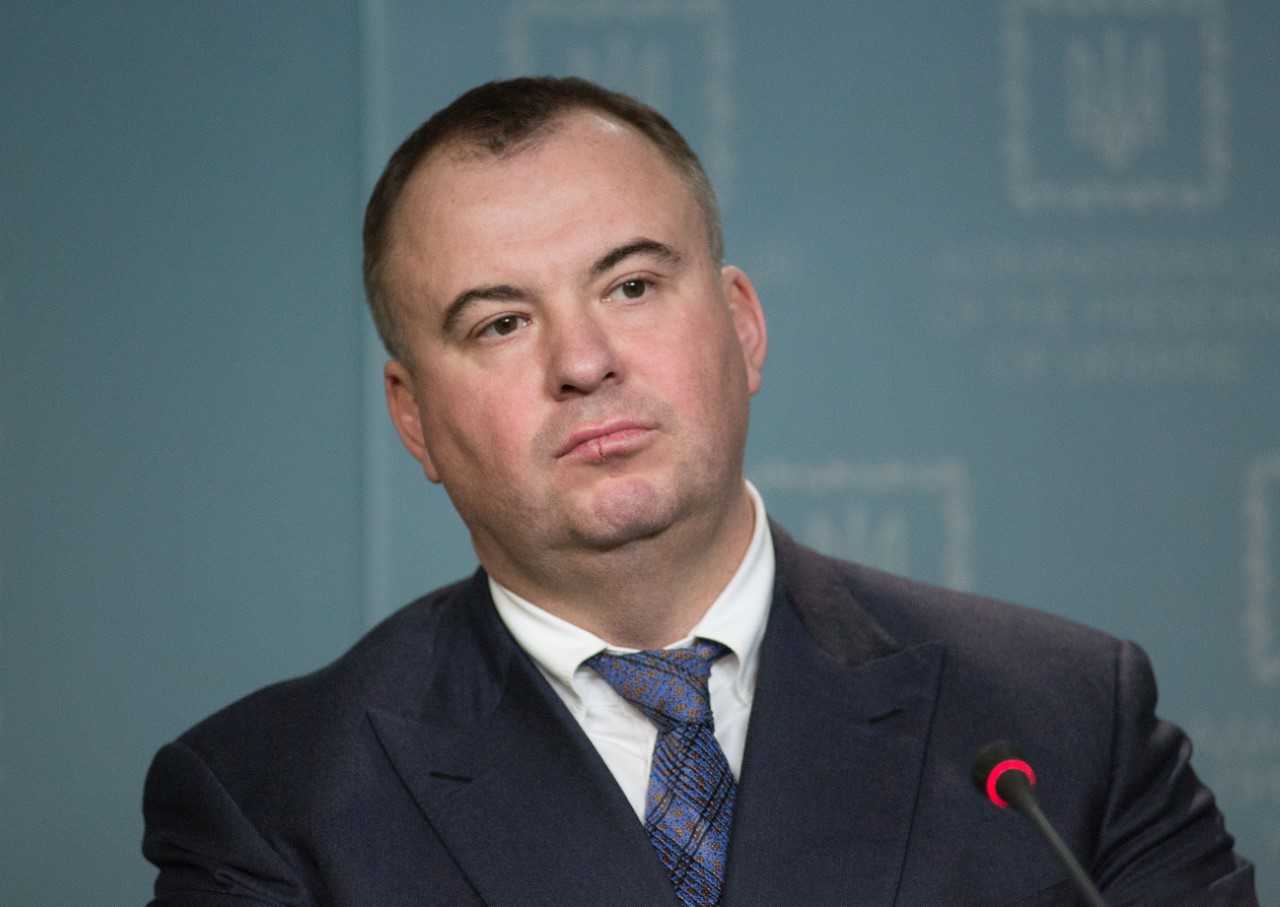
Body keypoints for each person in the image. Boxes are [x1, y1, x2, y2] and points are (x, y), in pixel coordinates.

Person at [142, 77, 1257, 906]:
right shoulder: (271, 802)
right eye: (501, 322)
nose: (583, 362)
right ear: (413, 417)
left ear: (742, 324)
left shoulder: (1061, 724)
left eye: (631, 285)